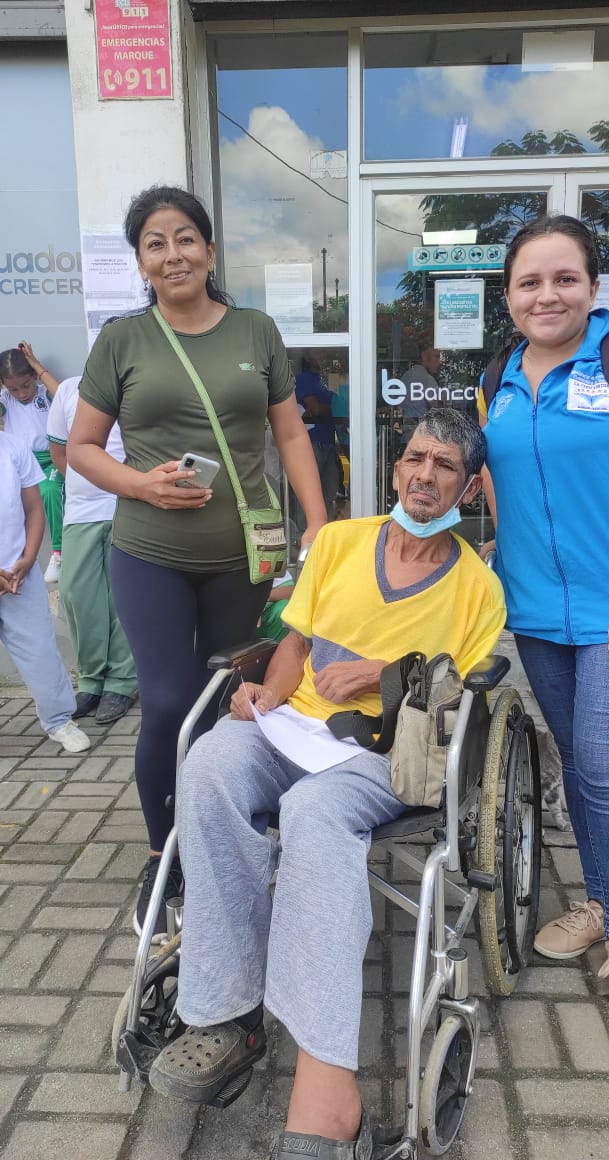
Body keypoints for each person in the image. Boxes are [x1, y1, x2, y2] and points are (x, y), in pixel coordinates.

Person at [147, 408, 506, 1158]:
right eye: (415, 458)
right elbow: (294, 642)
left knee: (312, 812)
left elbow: (459, 701)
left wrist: (385, 674)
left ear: (469, 487)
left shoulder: (478, 589)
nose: (425, 475)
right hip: (295, 727)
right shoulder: (340, 542)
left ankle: (326, 1091)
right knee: (209, 764)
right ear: (395, 467)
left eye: (445, 466)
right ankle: (229, 1013)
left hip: (385, 755)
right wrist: (266, 696)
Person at [67, 184, 326, 939]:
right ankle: (164, 853)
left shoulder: (255, 330)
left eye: (185, 238)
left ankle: (222, 828)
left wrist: (318, 521)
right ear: (140, 261)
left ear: (209, 251)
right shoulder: (122, 341)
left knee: (226, 701)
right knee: (168, 700)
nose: (172, 254)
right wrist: (139, 483)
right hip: (147, 552)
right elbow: (80, 447)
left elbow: (289, 435)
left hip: (240, 556)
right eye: (155, 243)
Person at [478, 214, 609, 1035]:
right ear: (508, 295)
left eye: (563, 278)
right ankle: (601, 901)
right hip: (537, 615)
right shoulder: (497, 377)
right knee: (580, 768)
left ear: (592, 285)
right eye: (528, 282)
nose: (545, 295)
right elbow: (498, 482)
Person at [46, 376, 138, 725]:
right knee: (76, 593)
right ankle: (91, 680)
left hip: (127, 506)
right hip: (80, 511)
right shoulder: (68, 390)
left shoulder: (136, 386)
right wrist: (92, 479)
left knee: (123, 597)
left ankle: (121, 682)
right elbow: (59, 452)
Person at [0, 431, 90, 754]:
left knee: (40, 652)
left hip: (18, 577)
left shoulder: (13, 446)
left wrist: (27, 560)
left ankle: (59, 720)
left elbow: (34, 509)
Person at [0, 342, 64, 583]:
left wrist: (37, 366)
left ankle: (58, 553)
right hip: (21, 463)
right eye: (13, 389)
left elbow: (64, 396)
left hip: (50, 458)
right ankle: (17, 555)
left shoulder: (44, 394)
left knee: (49, 491)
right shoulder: (6, 399)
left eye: (26, 385)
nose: (21, 393)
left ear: (34, 377)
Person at [294, 353, 340, 523]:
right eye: (318, 352)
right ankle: (303, 533)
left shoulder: (319, 381)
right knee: (309, 492)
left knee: (329, 491)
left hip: (327, 442)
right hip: (312, 442)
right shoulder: (304, 379)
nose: (323, 355)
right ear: (307, 357)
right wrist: (339, 405)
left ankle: (325, 532)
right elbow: (316, 409)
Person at [400, 345, 443, 440]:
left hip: (408, 433)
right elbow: (435, 408)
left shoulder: (407, 375)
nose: (440, 362)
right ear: (424, 356)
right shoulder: (428, 379)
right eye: (436, 356)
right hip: (423, 434)